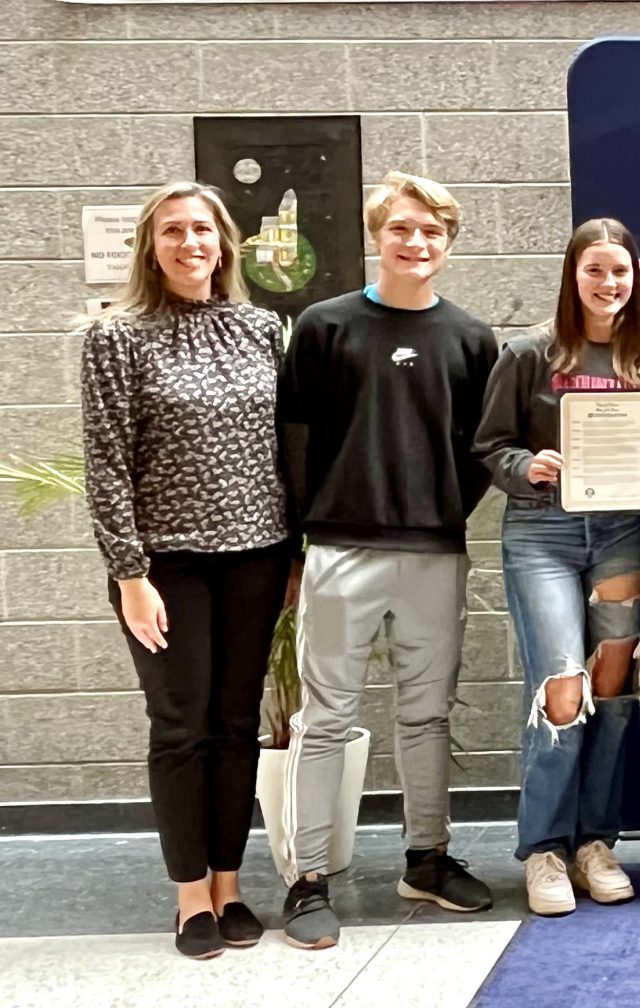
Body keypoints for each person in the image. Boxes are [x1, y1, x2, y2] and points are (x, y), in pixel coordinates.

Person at [277, 171, 500, 950]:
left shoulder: (473, 339)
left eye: (432, 231)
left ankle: (427, 860)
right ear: (378, 235)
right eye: (402, 229)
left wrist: (438, 511)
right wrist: (308, 533)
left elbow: (482, 451)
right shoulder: (323, 325)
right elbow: (294, 439)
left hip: (433, 551)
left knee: (426, 714)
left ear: (448, 243)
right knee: (326, 719)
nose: (416, 243)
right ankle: (307, 879)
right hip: (340, 548)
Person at [80, 181, 295, 959]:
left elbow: (284, 450)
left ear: (224, 244)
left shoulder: (261, 329)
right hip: (163, 567)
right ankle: (190, 896)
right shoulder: (117, 337)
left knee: (237, 725)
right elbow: (105, 463)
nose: (189, 243)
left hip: (255, 555)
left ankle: (232, 883)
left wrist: (295, 555)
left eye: (202, 229)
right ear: (151, 247)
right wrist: (129, 572)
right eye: (172, 230)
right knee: (181, 726)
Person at [474, 218, 640, 916]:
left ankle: (595, 841)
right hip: (542, 535)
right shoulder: (531, 352)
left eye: (620, 271)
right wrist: (529, 466)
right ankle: (546, 850)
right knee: (562, 689)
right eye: (595, 270)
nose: (609, 283)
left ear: (634, 278)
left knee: (613, 691)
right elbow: (490, 447)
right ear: (573, 274)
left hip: (620, 535)